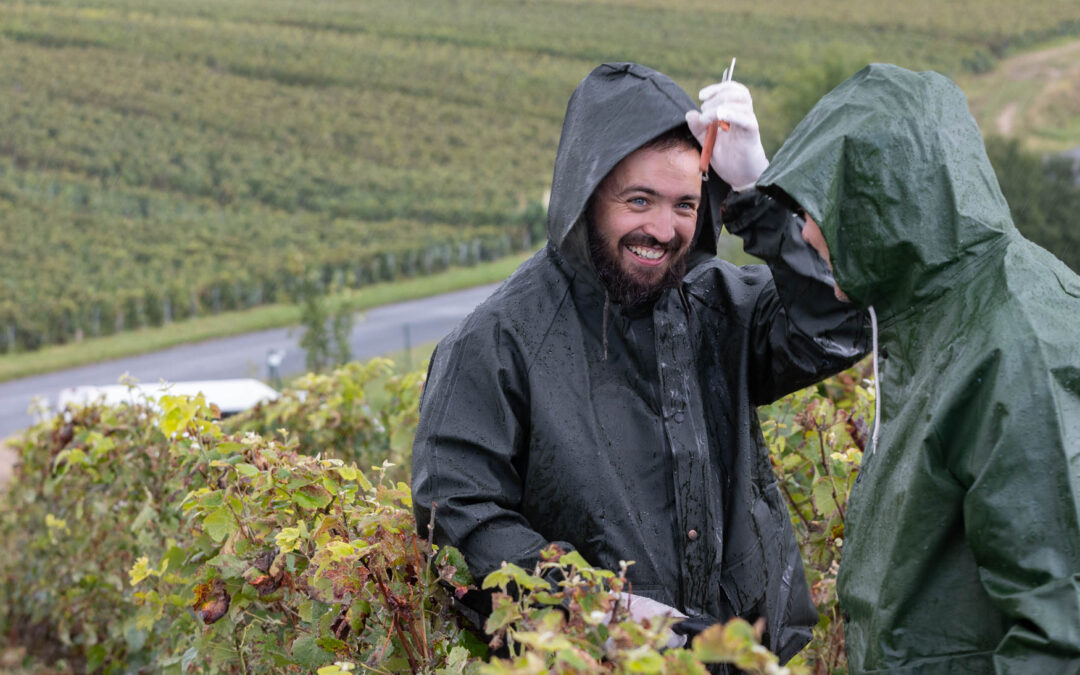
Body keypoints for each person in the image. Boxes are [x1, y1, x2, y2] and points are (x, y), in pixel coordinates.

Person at [411, 61, 867, 663]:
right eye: (639, 200)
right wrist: (603, 612)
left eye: (685, 204)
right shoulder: (498, 341)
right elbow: (455, 517)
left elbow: (836, 322)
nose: (662, 228)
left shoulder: (718, 305)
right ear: (586, 195)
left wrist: (763, 194)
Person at [755, 63, 1080, 673]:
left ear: (882, 203)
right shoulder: (940, 313)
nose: (805, 230)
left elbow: (1063, 630)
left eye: (821, 205)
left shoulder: (1017, 345)